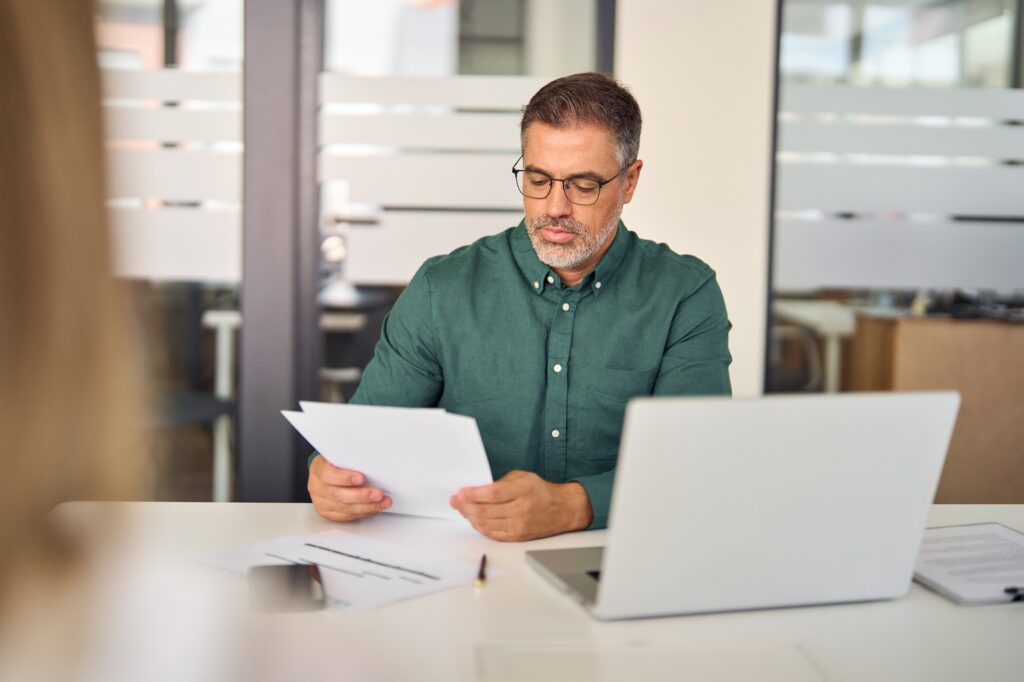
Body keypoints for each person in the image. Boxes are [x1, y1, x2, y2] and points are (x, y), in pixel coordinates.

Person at [308, 72, 732, 541]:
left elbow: (694, 466)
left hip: (619, 561)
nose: (555, 207)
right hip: (464, 563)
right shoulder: (441, 288)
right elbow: (364, 441)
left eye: (584, 185)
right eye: (537, 179)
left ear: (629, 181)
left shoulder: (684, 294)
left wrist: (573, 505)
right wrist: (330, 479)